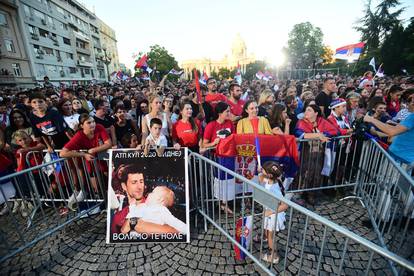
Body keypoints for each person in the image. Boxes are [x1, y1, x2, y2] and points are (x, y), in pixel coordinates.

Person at [110, 164, 179, 234]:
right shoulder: (118, 217)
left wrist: (136, 224)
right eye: (134, 182)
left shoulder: (157, 204)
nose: (139, 187)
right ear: (124, 186)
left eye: (141, 181)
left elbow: (176, 230)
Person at [60, 114, 112, 200]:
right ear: (81, 125)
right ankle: (102, 204)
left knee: (110, 184)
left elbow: (108, 144)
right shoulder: (79, 135)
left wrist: (93, 150)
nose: (93, 124)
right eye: (89, 123)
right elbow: (62, 153)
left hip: (104, 161)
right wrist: (83, 154)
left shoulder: (99, 127)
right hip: (91, 163)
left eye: (93, 122)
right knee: (98, 188)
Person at [258, 161, 288, 264]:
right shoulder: (271, 180)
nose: (261, 170)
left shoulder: (275, 189)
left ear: (269, 174)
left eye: (263, 169)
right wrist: (261, 172)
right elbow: (261, 178)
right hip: (270, 212)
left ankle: (274, 256)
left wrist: (270, 212)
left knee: (271, 237)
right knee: (268, 234)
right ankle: (270, 248)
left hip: (274, 215)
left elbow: (285, 205)